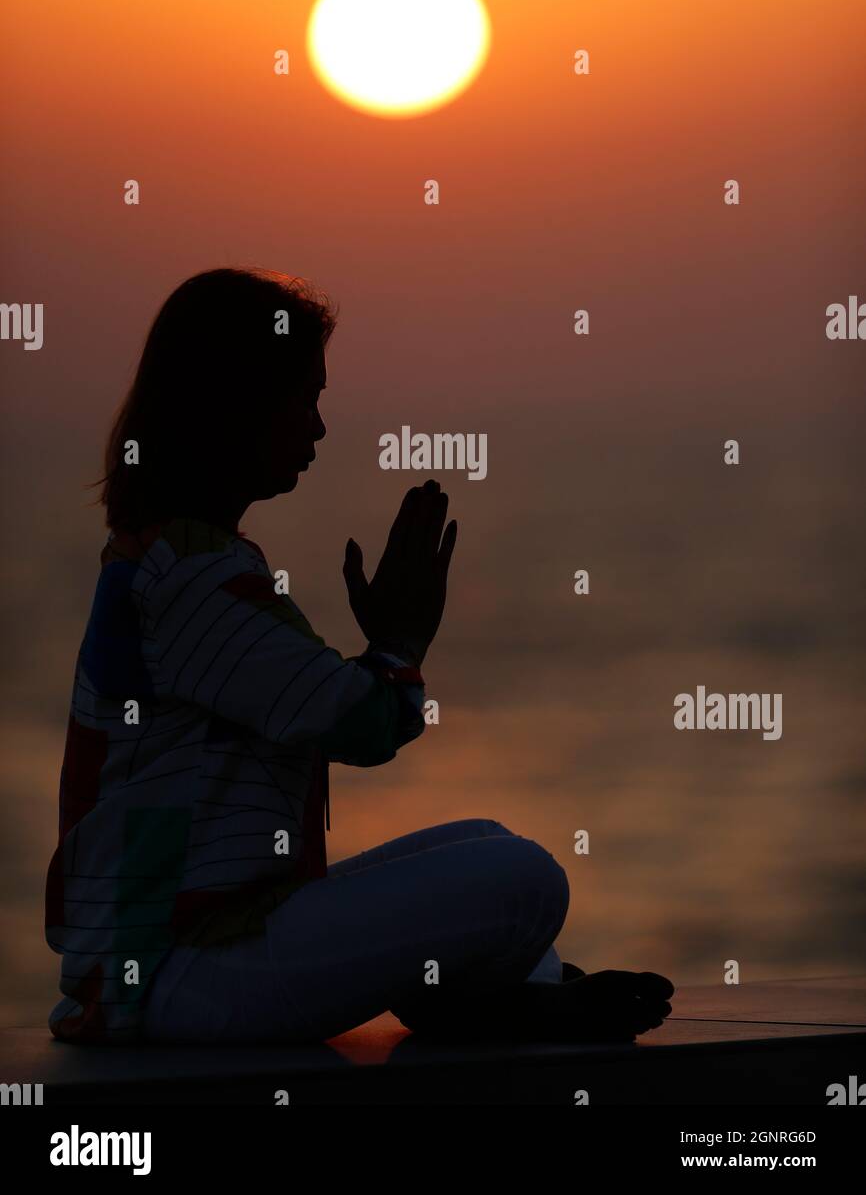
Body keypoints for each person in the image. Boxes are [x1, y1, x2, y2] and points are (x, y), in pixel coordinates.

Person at [44, 267, 673, 1047]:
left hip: (201, 951)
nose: (319, 428)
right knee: (527, 881)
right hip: (180, 978)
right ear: (237, 404)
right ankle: (506, 996)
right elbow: (364, 724)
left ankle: (508, 995)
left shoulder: (173, 559)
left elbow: (315, 699)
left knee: (483, 840)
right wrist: (400, 642)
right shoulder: (192, 579)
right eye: (306, 398)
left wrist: (386, 649)